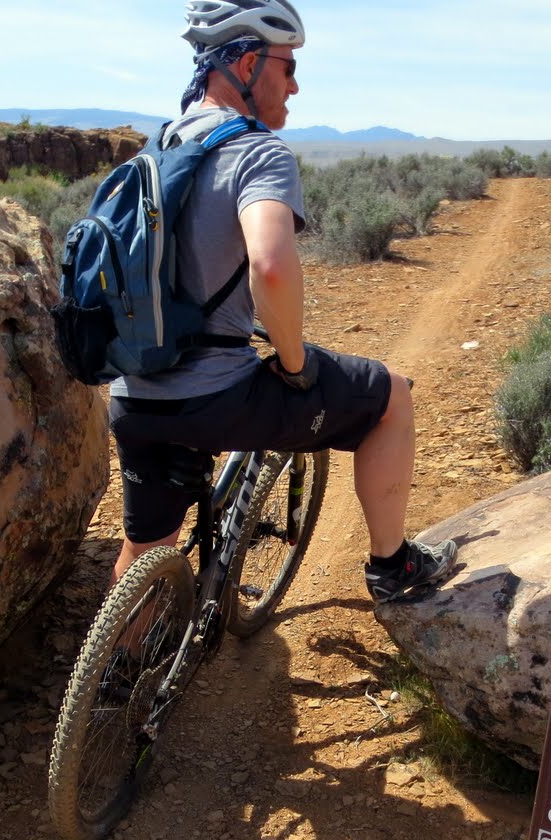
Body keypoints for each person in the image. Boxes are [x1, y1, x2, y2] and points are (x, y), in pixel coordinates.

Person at [106, 0, 457, 605]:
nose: (295, 84)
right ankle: (393, 568)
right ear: (246, 62)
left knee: (146, 547)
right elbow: (270, 266)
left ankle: (117, 679)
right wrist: (294, 363)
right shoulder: (257, 153)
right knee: (391, 395)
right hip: (216, 396)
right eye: (287, 66)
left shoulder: (154, 149)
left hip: (132, 394)